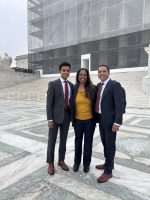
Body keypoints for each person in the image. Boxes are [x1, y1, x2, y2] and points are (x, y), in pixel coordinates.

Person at [95, 64, 124, 183]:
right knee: (105, 144)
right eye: (100, 71)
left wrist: (117, 122)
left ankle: (108, 171)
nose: (101, 73)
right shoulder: (99, 86)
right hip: (101, 120)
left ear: (108, 72)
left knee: (110, 146)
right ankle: (107, 163)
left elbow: (120, 105)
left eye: (104, 71)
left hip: (111, 121)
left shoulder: (114, 85)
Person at [46, 62, 73, 175]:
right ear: (60, 71)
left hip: (66, 117)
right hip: (55, 117)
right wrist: (50, 119)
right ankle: (50, 163)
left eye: (67, 70)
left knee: (63, 140)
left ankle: (61, 160)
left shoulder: (71, 85)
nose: (66, 72)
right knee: (52, 141)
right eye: (64, 70)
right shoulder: (53, 84)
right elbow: (49, 103)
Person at [72, 68, 96, 173]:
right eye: (81, 74)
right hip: (78, 121)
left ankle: (86, 164)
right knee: (78, 142)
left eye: (85, 75)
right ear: (78, 76)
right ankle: (76, 163)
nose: (83, 76)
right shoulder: (74, 88)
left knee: (88, 143)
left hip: (89, 121)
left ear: (87, 76)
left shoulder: (92, 88)